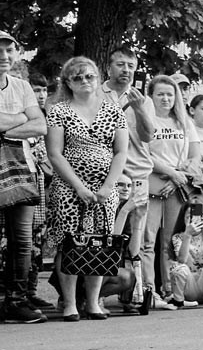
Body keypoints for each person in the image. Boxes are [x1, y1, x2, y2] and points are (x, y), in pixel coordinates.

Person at [43, 56, 128, 322]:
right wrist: (78, 187)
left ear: (97, 78)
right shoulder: (59, 111)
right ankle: (69, 304)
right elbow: (55, 153)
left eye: (89, 76)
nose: (84, 81)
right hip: (69, 185)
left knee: (99, 243)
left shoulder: (114, 110)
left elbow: (121, 151)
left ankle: (93, 302)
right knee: (69, 243)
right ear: (67, 82)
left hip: (106, 185)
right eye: (77, 77)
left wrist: (107, 186)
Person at [0, 29, 48, 323]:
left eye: (9, 50)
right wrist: (21, 120)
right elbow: (30, 121)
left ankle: (16, 301)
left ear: (16, 54)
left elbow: (40, 125)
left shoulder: (22, 86)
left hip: (21, 171)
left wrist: (4, 128)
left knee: (22, 240)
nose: (3, 57)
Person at [103, 45, 155, 314]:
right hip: (106, 174)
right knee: (104, 232)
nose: (126, 71)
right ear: (109, 67)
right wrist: (122, 107)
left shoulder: (142, 99)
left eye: (131, 66)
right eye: (121, 65)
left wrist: (139, 108)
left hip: (137, 174)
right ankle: (94, 292)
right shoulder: (97, 95)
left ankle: (134, 295)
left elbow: (148, 136)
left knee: (136, 236)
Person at [143, 75, 197, 310]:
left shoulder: (184, 122)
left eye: (170, 94)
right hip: (151, 183)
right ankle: (148, 291)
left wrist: (177, 179)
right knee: (147, 240)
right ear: (151, 96)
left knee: (170, 242)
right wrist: (170, 173)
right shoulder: (146, 119)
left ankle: (171, 291)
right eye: (160, 94)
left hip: (176, 186)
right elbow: (143, 153)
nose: (166, 98)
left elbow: (195, 156)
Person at [164, 203, 203, 307]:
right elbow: (182, 260)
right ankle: (178, 300)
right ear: (182, 219)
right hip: (189, 286)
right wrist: (187, 235)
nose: (193, 220)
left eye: (197, 217)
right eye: (188, 217)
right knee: (179, 268)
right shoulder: (178, 236)